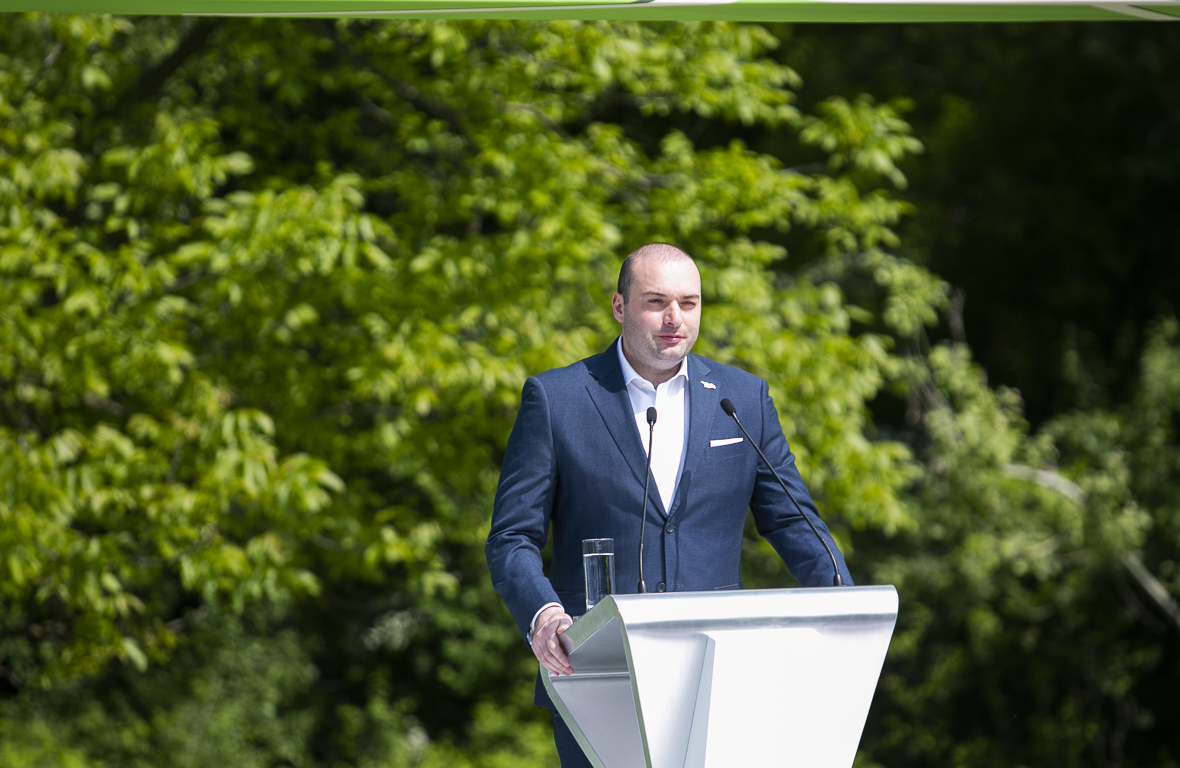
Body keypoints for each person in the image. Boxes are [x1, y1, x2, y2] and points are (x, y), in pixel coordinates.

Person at [485, 243, 853, 767]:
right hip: (596, 672)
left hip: (719, 675)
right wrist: (544, 615)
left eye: (689, 302)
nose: (674, 318)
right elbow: (512, 537)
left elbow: (795, 521)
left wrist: (847, 608)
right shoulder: (556, 398)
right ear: (619, 306)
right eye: (656, 301)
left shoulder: (742, 398)